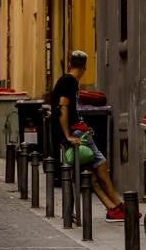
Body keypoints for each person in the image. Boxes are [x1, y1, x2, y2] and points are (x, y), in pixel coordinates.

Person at [49, 50, 128, 222]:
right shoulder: (69, 81)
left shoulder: (68, 81)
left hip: (74, 130)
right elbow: (63, 108)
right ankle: (119, 205)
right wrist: (68, 135)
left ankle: (113, 209)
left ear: (70, 64)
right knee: (101, 165)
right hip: (78, 131)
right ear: (85, 66)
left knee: (92, 175)